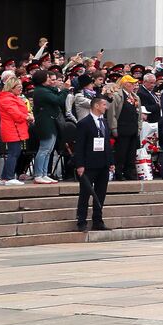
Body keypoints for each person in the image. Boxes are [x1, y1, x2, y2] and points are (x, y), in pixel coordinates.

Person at [74, 95, 113, 232]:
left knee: (100, 194)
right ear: (96, 106)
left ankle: (98, 220)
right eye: (104, 105)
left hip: (103, 163)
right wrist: (80, 164)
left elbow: (107, 143)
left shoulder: (104, 122)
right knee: (85, 193)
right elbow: (79, 146)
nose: (106, 107)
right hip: (89, 164)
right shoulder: (84, 123)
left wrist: (110, 161)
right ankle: (81, 221)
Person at [29, 69, 68, 184]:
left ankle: (44, 173)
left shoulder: (46, 90)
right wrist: (65, 89)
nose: (50, 80)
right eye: (47, 77)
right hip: (45, 123)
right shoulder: (40, 91)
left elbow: (55, 93)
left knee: (49, 150)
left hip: (51, 122)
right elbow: (58, 100)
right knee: (44, 149)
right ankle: (38, 174)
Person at [0, 77, 30, 185]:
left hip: (15, 129)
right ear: (12, 87)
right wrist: (27, 117)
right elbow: (16, 114)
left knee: (14, 153)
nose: (21, 89)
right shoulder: (7, 100)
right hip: (12, 129)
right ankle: (9, 177)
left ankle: (6, 177)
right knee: (13, 153)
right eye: (18, 87)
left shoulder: (12, 98)